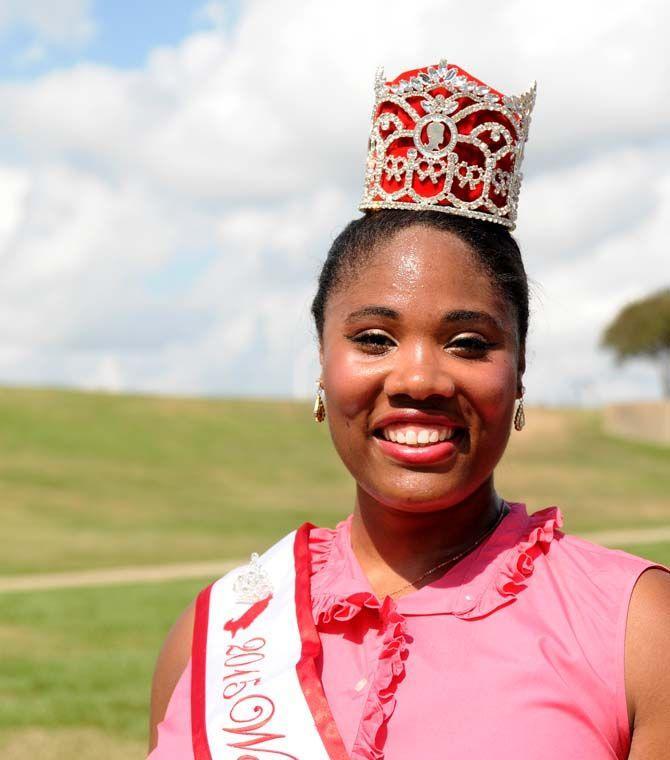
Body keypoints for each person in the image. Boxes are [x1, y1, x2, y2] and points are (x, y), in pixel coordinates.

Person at [147, 60, 670, 759]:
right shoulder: (215, 637)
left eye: (467, 342)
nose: (420, 377)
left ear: (519, 377)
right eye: (373, 338)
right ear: (322, 367)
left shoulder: (636, 629)